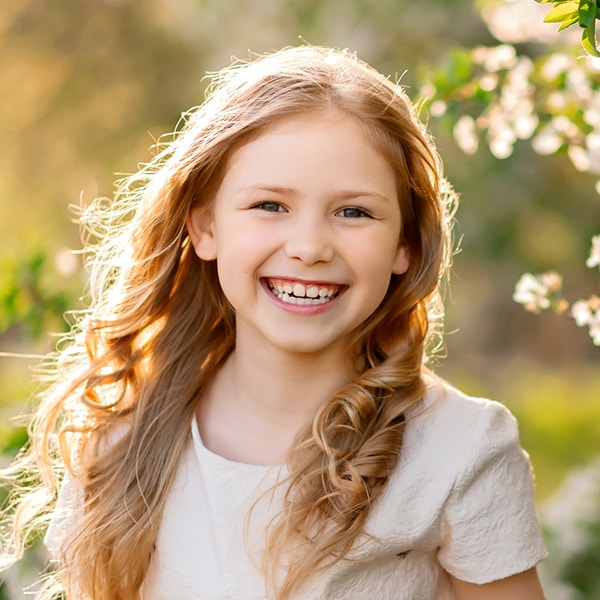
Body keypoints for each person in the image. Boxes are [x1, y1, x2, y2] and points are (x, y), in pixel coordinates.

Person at [1, 45, 547, 599]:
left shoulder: (460, 447)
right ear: (205, 226)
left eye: (353, 212)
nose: (309, 247)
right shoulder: (118, 437)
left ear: (405, 243)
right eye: (270, 206)